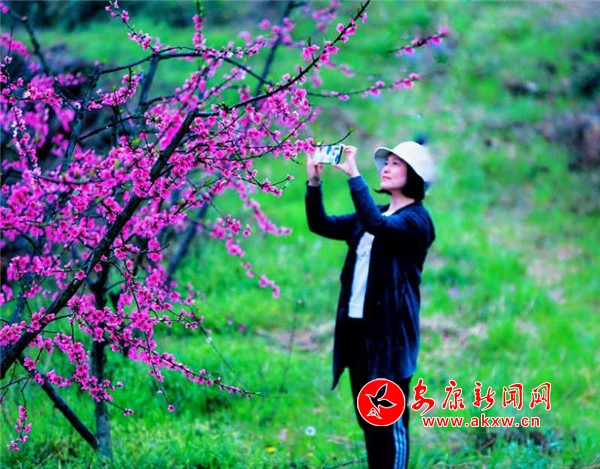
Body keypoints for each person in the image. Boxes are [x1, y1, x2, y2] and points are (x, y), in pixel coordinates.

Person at [305, 141, 436, 469]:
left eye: (396, 163)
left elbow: (380, 228)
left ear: (414, 175)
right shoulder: (374, 213)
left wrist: (353, 176)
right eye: (386, 162)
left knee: (389, 425)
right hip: (356, 332)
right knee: (369, 420)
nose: (386, 168)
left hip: (389, 339)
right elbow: (321, 224)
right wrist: (314, 183)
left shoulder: (417, 221)